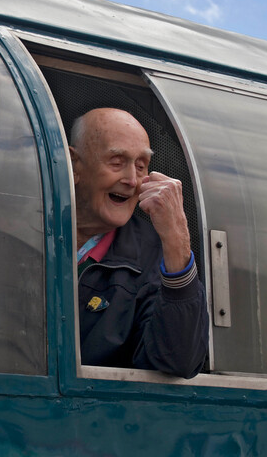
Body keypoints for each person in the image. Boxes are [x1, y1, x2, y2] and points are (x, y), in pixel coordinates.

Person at [69, 108, 208, 378]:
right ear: (75, 165)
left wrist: (176, 237)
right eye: (117, 162)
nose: (132, 180)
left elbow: (179, 362)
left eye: (142, 166)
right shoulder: (21, 228)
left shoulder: (153, 258)